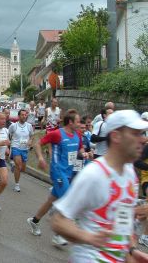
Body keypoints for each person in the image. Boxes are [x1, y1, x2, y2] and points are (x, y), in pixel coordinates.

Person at [51, 110, 148, 262]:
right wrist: (89, 237)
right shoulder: (94, 175)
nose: (143, 140)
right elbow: (59, 220)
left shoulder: (130, 174)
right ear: (116, 136)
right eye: (136, 134)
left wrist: (132, 251)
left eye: (143, 134)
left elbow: (122, 225)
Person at [27, 109, 88, 246]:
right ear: (70, 122)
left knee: (51, 200)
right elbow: (37, 144)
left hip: (68, 172)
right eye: (77, 121)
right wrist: (41, 158)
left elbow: (80, 149)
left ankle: (34, 220)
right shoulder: (57, 134)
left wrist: (84, 154)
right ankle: (58, 234)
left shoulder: (77, 134)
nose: (80, 124)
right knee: (67, 199)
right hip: (57, 171)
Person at [8, 109, 34, 192]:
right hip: (16, 147)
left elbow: (32, 136)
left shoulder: (29, 126)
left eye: (25, 115)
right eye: (22, 115)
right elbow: (9, 135)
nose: (24, 116)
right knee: (19, 166)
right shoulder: (13, 126)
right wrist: (9, 145)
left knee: (22, 169)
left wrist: (30, 141)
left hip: (25, 149)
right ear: (18, 116)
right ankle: (17, 185)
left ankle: (13, 166)